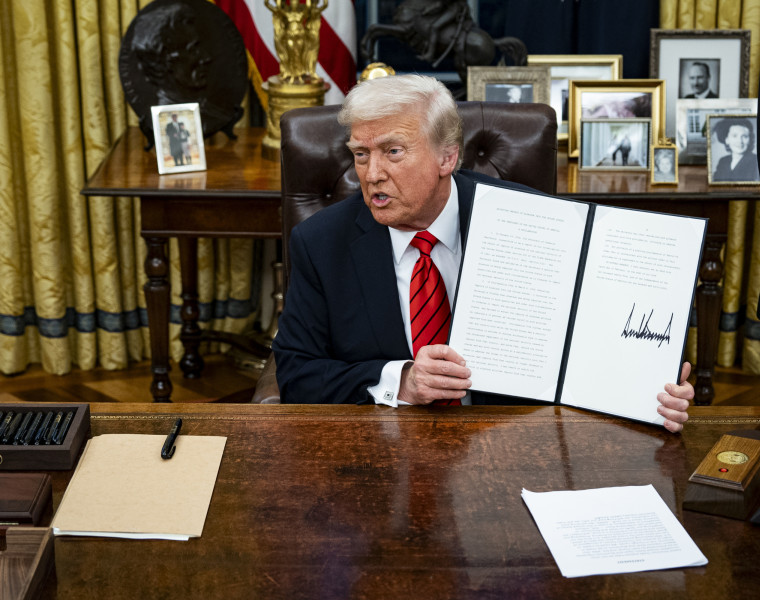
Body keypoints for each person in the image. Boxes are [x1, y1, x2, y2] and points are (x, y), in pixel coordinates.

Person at [272, 74, 693, 433]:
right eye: (361, 155)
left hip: (512, 440)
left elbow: (589, 341)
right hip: (385, 450)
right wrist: (401, 382)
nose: (372, 174)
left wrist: (650, 390)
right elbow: (296, 376)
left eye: (393, 151)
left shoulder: (532, 222)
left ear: (447, 157)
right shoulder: (321, 243)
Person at [712, 117, 760, 182]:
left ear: (750, 140)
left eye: (745, 136)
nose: (740, 141)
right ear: (727, 140)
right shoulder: (723, 161)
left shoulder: (755, 161)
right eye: (734, 136)